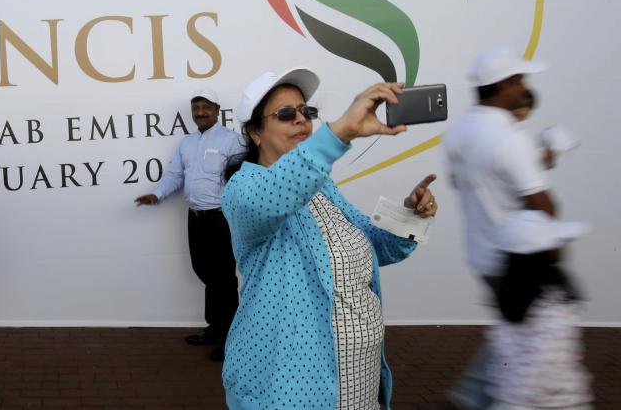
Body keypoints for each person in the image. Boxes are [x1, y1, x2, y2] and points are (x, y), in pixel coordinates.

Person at [221, 67, 438, 410]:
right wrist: (342, 131)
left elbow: (375, 245)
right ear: (255, 133)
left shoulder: (322, 187)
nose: (301, 121)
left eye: (306, 112)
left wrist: (411, 214)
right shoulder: (243, 190)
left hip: (357, 380)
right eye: (286, 114)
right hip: (291, 386)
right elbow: (276, 194)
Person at [443, 46, 557, 410]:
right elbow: (544, 205)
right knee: (535, 343)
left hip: (484, 256)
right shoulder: (511, 138)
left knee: (514, 334)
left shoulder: (459, 133)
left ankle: (474, 394)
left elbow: (479, 181)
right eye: (520, 79)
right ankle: (475, 396)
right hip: (521, 259)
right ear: (504, 85)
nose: (525, 87)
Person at [134, 87, 243, 360]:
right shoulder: (186, 143)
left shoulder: (233, 141)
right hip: (195, 218)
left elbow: (244, 178)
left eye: (206, 107)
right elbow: (174, 175)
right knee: (204, 271)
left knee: (224, 278)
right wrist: (156, 195)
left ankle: (231, 336)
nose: (200, 113)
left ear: (217, 110)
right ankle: (214, 327)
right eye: (196, 108)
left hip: (222, 218)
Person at [486, 210, 593, 409]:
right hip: (554, 402)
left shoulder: (512, 298)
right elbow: (548, 359)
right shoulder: (555, 303)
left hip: (519, 400)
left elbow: (506, 355)